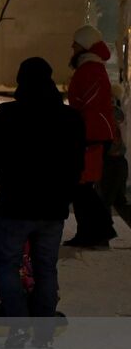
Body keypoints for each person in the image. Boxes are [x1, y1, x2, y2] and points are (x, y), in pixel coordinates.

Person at [0, 56, 84, 348]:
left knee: (8, 265)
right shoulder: (70, 119)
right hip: (52, 209)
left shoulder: (7, 115)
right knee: (46, 267)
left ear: (21, 82)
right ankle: (44, 332)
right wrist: (67, 197)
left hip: (14, 207)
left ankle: (18, 326)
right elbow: (76, 165)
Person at [64, 25, 117, 248]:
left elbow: (89, 104)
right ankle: (93, 232)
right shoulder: (90, 68)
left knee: (81, 186)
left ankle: (97, 231)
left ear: (84, 45)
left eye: (76, 43)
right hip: (92, 133)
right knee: (82, 186)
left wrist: (77, 130)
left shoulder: (90, 69)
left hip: (90, 134)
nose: (72, 46)